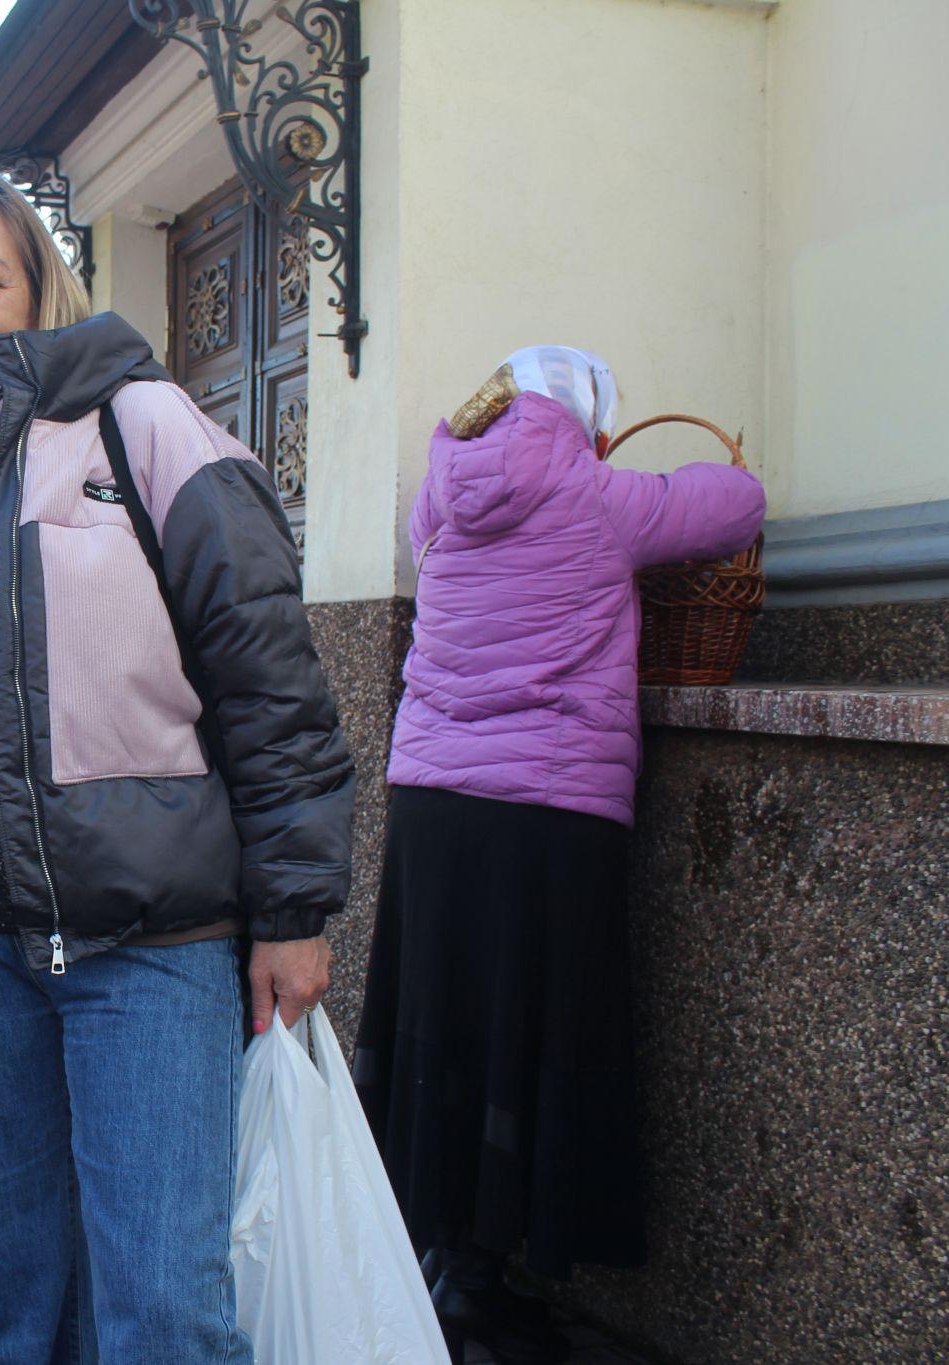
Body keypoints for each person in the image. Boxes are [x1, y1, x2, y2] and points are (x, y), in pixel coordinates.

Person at [0, 167, 354, 1362]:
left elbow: (270, 684)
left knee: (162, 1310)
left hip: (147, 947)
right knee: (17, 1315)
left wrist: (292, 913)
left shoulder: (139, 424)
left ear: (36, 294)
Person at [354, 348, 766, 1364]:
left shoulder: (441, 493)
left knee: (441, 1027)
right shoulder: (596, 496)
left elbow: (421, 544)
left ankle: (449, 1260)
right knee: (530, 1034)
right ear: (582, 418)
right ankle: (484, 1280)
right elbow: (734, 501)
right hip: (543, 815)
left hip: (429, 809)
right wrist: (610, 455)